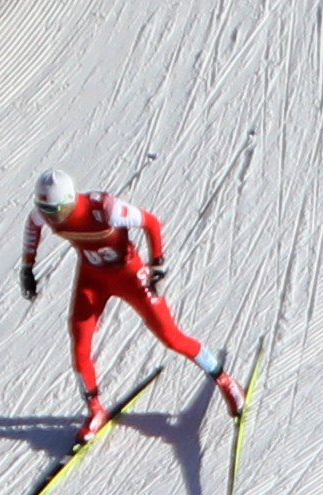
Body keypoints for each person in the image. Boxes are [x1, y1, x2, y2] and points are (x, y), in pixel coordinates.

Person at [19, 171, 240, 420]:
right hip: (92, 280)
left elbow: (151, 223)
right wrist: (27, 266)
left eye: (54, 211)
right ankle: (95, 412)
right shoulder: (45, 213)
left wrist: (157, 264)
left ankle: (224, 380)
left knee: (171, 337)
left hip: (130, 276)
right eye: (44, 210)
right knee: (80, 345)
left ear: (69, 201)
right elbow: (32, 225)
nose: (50, 218)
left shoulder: (104, 208)